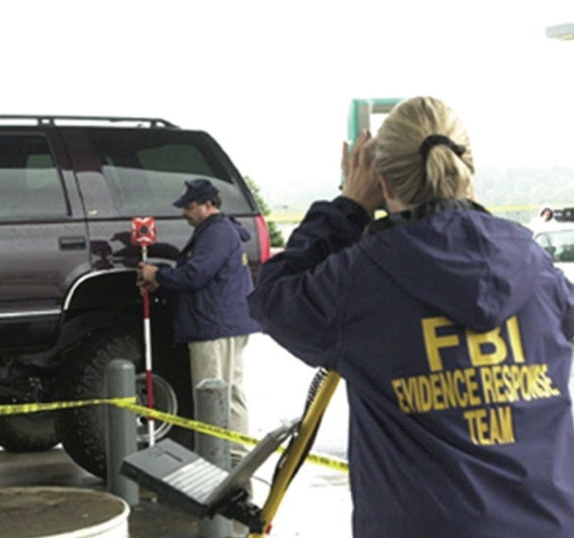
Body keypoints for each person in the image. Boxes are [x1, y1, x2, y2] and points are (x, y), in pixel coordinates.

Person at [248, 96, 574, 537]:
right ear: (467, 170)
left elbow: (271, 298)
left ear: (380, 182)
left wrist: (347, 208)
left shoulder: (359, 280)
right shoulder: (536, 268)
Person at [136, 178, 261, 466]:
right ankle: (235, 455)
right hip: (222, 322)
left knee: (213, 394)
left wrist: (158, 274)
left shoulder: (216, 233)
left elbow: (197, 274)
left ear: (208, 204)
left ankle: (222, 458)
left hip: (213, 326)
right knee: (229, 391)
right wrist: (163, 280)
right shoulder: (217, 232)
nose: (184, 213)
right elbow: (199, 275)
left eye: (190, 206)